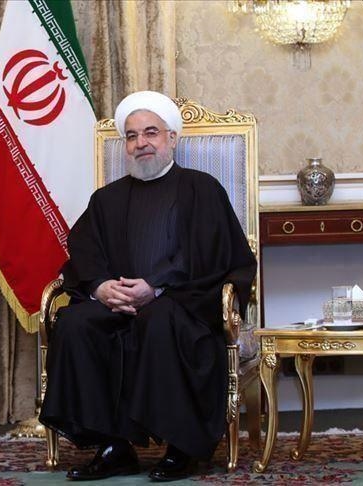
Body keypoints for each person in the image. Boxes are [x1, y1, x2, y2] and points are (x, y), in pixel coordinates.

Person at [38, 91, 256, 482]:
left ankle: (181, 447)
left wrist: (155, 288)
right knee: (76, 324)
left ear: (172, 138)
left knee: (159, 320)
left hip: (182, 302)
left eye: (151, 133)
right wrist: (102, 287)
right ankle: (113, 447)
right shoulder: (106, 199)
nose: (141, 143)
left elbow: (214, 257)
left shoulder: (201, 189)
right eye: (132, 136)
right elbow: (84, 252)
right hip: (117, 305)